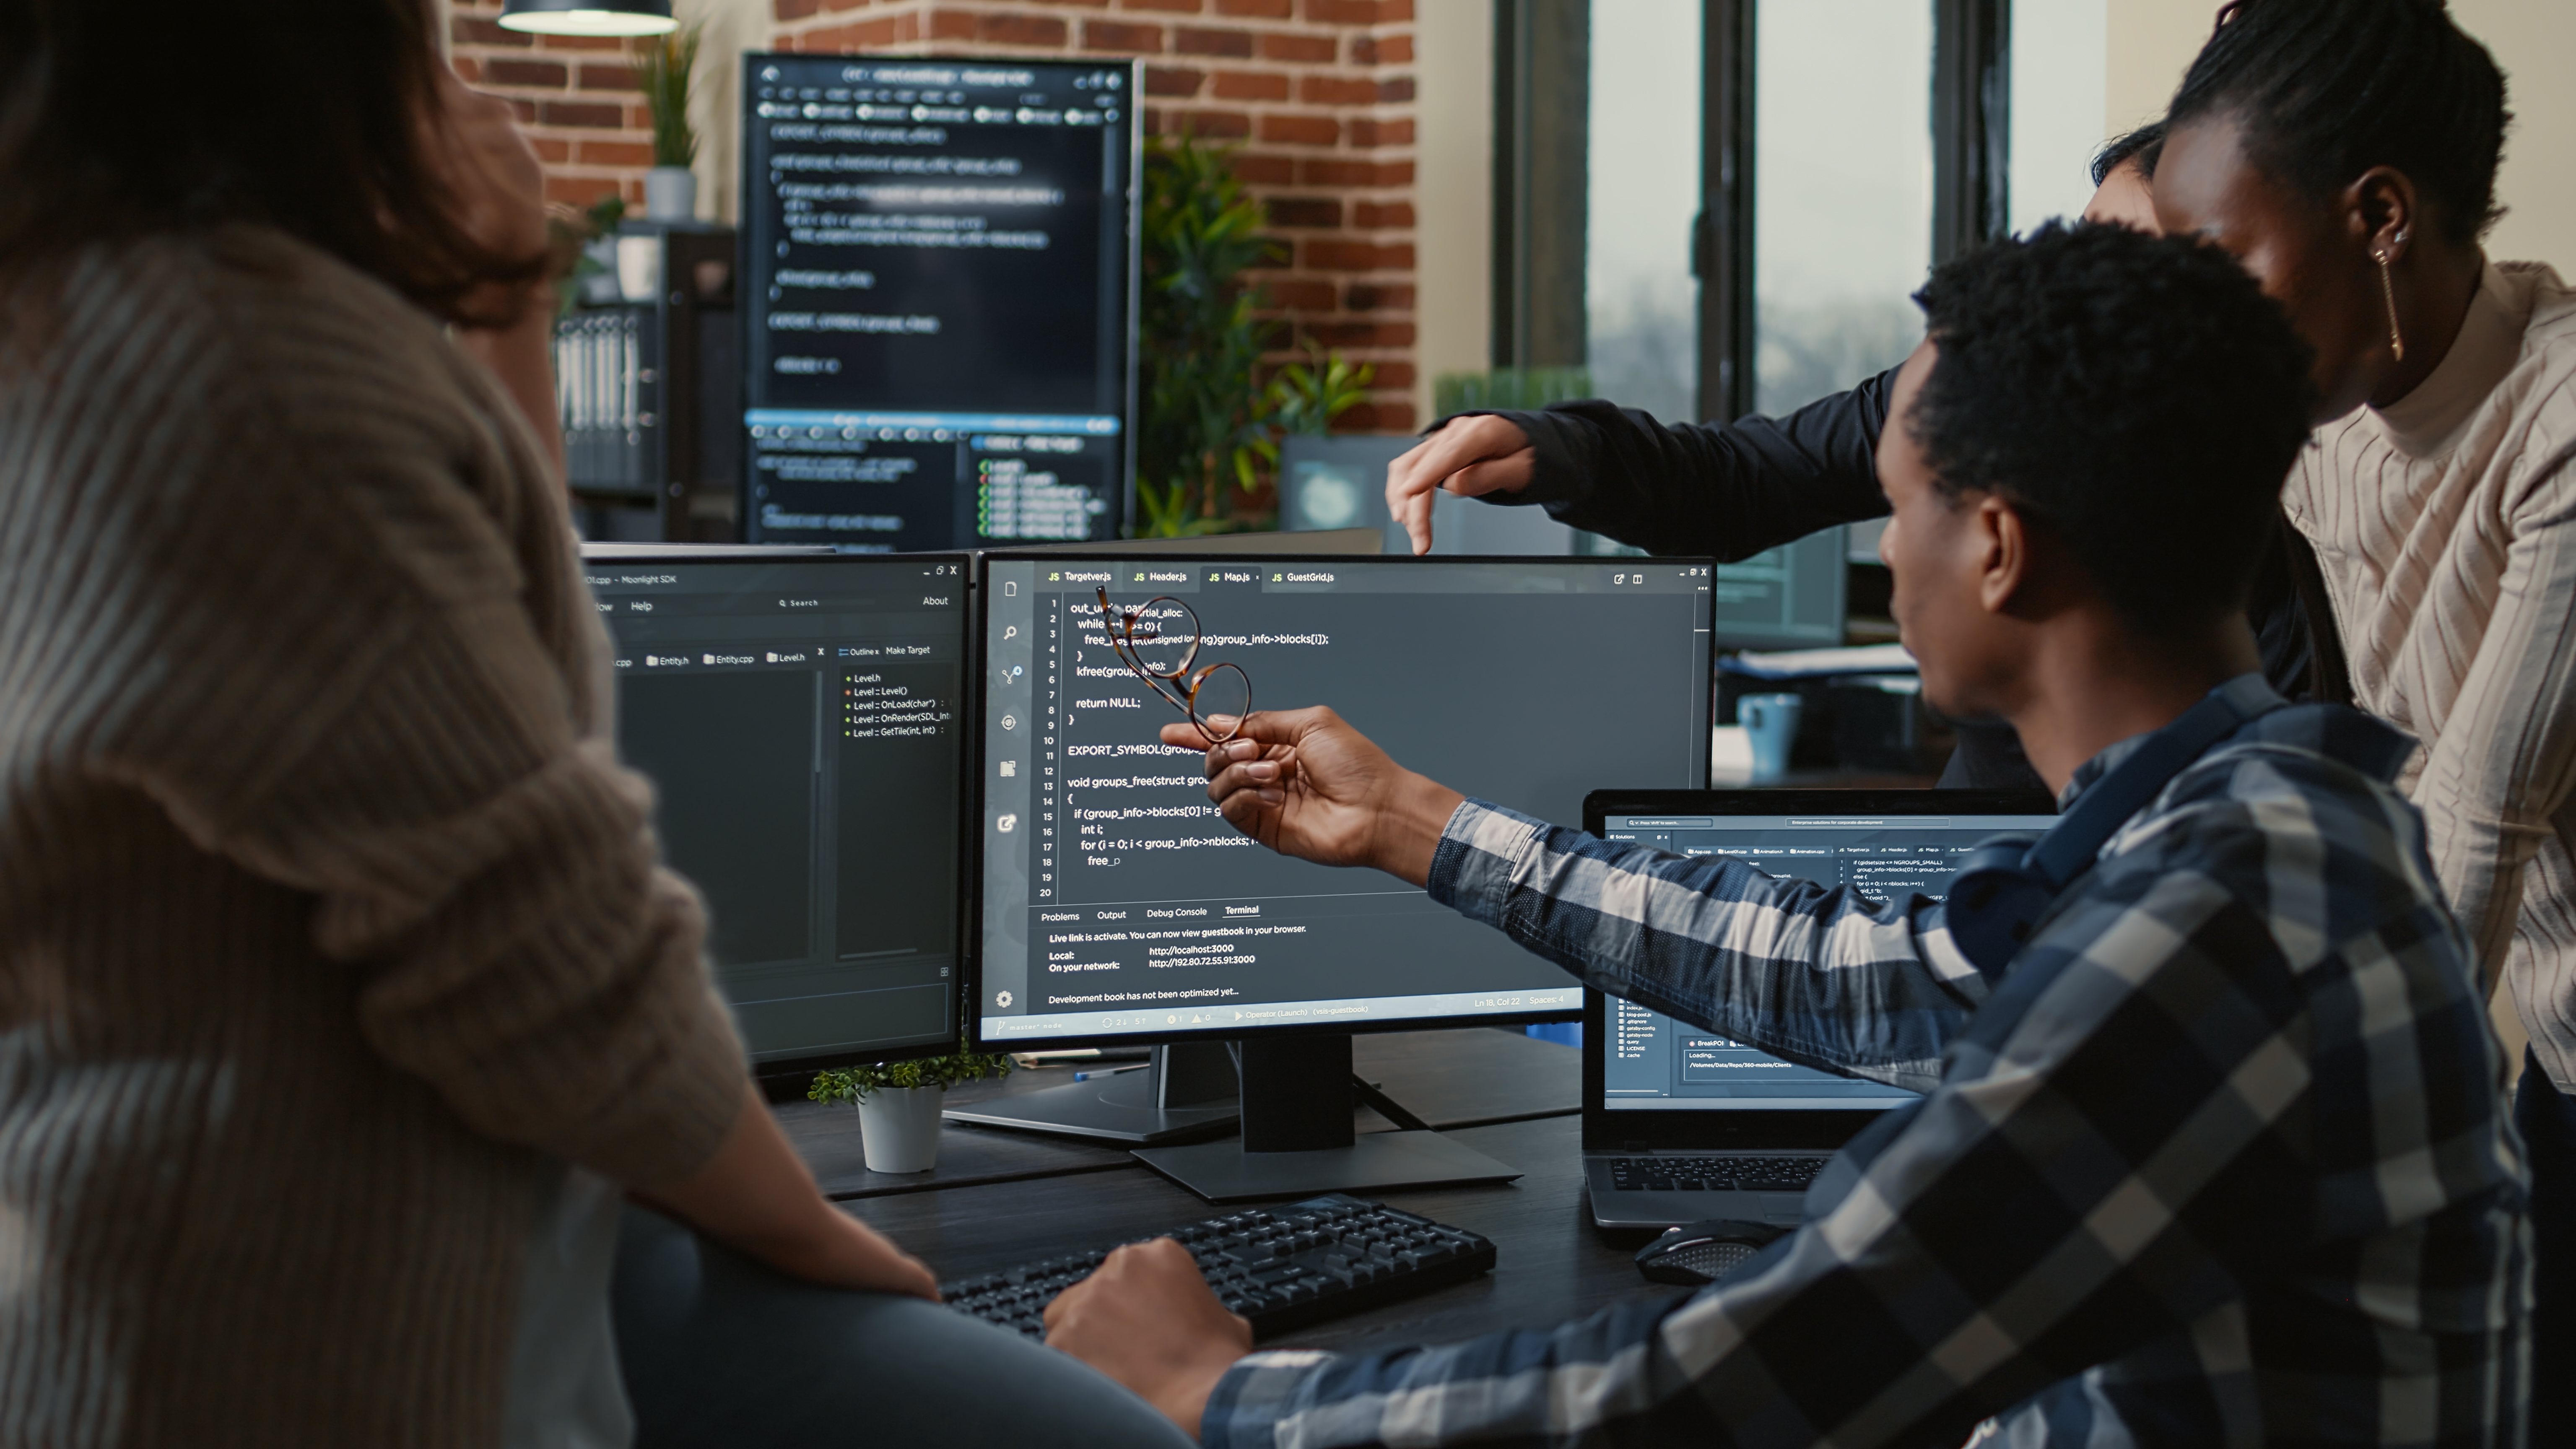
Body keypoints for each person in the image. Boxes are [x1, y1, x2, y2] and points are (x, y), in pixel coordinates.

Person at [1046, 224, 2529, 1446]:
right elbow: (1856, 973)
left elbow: (1746, 1383)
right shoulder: (2251, 828)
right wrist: (1414, 825)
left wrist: (1217, 1393)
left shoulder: (2223, 929)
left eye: (1891, 510)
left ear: (1998, 548)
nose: (1881, 551)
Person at [0, 4, 1193, 1446]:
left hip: (437, 1228)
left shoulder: (136, 313)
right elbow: (559, 963)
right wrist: (831, 1249)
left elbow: (510, 682)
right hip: (296, 1315)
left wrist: (500, 307)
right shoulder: (246, 363)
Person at [1384, 125, 2343, 795]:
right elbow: (1741, 477)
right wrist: (1558, 450)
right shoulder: (1984, 391)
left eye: (2131, 266)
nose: (2079, 294)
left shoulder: (2307, 520)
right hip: (1978, 880)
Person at [2144, 0, 2576, 1419]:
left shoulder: (2558, 416)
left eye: (2221, 262)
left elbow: (2472, 819)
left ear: (2378, 213)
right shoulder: (2325, 415)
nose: (2205, 318)